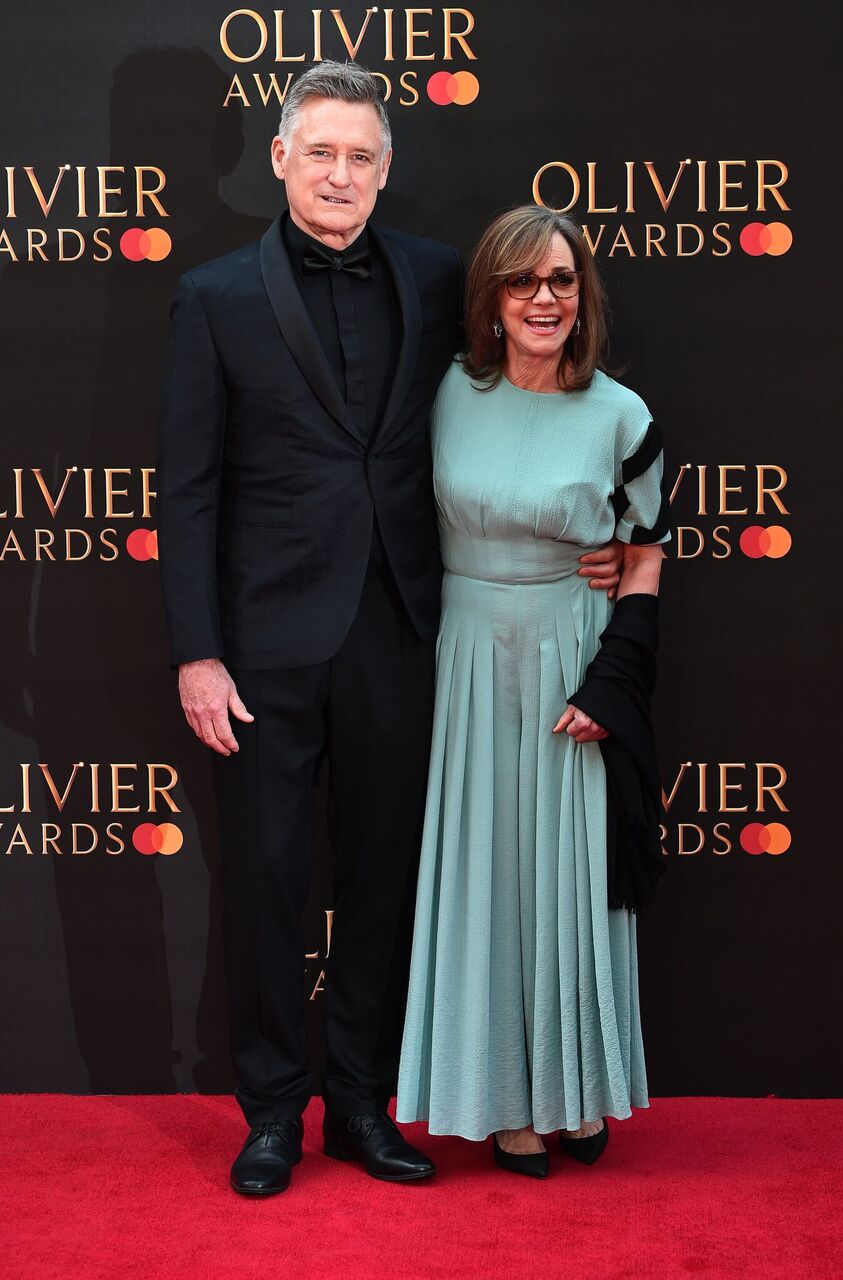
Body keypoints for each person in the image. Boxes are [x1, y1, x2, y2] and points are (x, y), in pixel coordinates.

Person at [157, 63, 621, 1196]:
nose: (341, 174)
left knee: (383, 875)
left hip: (408, 628)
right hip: (263, 642)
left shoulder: (433, 278)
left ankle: (361, 1099)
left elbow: (532, 387)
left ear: (386, 169)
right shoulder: (213, 296)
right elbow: (188, 489)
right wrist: (196, 649)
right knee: (265, 876)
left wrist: (593, 538)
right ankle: (272, 1110)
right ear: (279, 159)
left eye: (362, 156)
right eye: (320, 152)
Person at [397, 205, 669, 1177]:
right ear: (493, 297)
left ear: (582, 294)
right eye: (524, 281)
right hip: (464, 659)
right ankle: (505, 1099)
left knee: (571, 879)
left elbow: (643, 557)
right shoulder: (444, 395)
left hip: (572, 654)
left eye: (561, 280)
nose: (544, 297)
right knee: (490, 875)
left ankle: (577, 1088)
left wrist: (613, 676)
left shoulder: (620, 414)